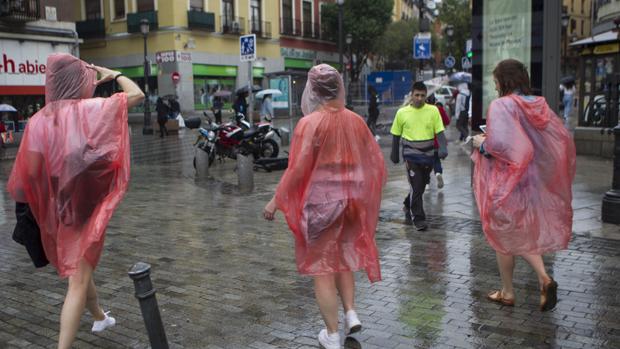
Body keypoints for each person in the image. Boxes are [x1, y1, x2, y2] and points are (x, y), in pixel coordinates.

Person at [6, 53, 144, 349]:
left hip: (59, 209)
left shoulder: (38, 121)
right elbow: (137, 94)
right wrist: (114, 73)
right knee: (78, 280)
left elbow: (27, 175)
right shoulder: (91, 110)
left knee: (81, 268)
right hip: (85, 208)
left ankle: (98, 316)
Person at [263, 64, 386, 349]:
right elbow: (373, 160)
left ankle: (331, 335)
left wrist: (276, 200)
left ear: (315, 90)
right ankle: (351, 311)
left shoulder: (310, 124)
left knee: (322, 268)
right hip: (352, 201)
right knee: (343, 256)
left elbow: (297, 169)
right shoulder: (355, 120)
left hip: (321, 204)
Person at [471, 59, 575, 312]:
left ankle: (513, 289)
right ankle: (538, 280)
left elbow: (504, 147)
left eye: (496, 81)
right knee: (517, 232)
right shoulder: (536, 104)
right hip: (530, 182)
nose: (495, 86)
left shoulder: (502, 105)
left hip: (507, 182)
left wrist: (481, 143)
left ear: (504, 81)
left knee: (503, 235)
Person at [391, 81, 448, 231]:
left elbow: (440, 131)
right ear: (411, 95)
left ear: (426, 96)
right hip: (411, 156)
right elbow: (396, 135)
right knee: (416, 186)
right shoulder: (402, 113)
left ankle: (407, 203)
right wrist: (394, 153)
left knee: (421, 185)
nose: (419, 98)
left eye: (423, 95)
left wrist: (443, 148)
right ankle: (419, 218)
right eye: (417, 95)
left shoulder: (433, 111)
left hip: (428, 156)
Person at [427, 94, 451, 189]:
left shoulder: (423, 111)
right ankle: (438, 173)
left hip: (426, 141)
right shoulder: (438, 109)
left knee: (426, 162)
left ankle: (427, 182)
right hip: (438, 140)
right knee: (436, 159)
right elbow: (447, 121)